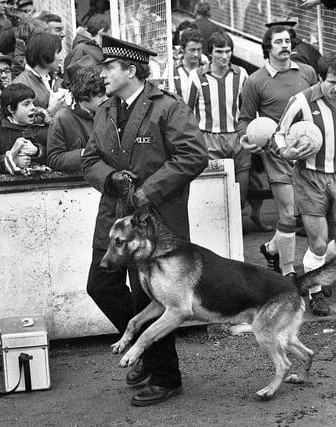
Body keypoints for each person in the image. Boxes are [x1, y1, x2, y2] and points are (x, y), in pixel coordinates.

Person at [81, 35, 209, 407]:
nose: (102, 74)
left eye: (108, 68)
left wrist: (148, 191)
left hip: (156, 223)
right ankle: (148, 353)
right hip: (114, 219)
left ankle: (167, 377)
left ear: (130, 71)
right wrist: (110, 178)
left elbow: (193, 155)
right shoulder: (105, 110)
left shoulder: (167, 108)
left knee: (150, 296)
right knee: (101, 285)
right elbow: (90, 161)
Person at [268, 52, 336, 316]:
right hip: (310, 178)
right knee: (319, 243)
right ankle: (315, 292)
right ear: (321, 78)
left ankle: (318, 272)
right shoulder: (300, 102)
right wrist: (285, 151)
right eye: (333, 81)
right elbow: (278, 135)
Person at [237, 24, 318, 277]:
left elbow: (320, 106)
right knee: (288, 211)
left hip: (307, 151)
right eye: (278, 42)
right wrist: (245, 138)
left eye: (287, 41)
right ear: (267, 48)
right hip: (277, 154)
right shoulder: (255, 81)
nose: (285, 45)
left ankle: (272, 248)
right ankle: (288, 272)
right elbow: (245, 119)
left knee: (313, 211)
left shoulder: (307, 72)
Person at [195, 31, 251, 213]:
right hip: (209, 139)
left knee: (240, 196)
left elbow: (249, 106)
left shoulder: (241, 74)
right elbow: (186, 113)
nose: (224, 56)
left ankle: (238, 234)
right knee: (214, 194)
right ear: (209, 53)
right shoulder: (196, 77)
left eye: (228, 51)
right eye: (219, 51)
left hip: (238, 139)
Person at [47, 62, 105, 172]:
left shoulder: (107, 112)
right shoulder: (62, 119)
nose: (105, 98)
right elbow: (54, 159)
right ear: (84, 96)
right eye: (100, 95)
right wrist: (85, 153)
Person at [0, 82, 48, 174]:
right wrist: (13, 160)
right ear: (11, 109)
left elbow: (55, 155)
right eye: (26, 104)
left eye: (33, 103)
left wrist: (38, 151)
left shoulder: (43, 126)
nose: (33, 108)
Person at [12, 33, 66, 117]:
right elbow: (22, 122)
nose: (61, 58)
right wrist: (50, 110)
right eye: (57, 53)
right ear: (45, 56)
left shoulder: (55, 79)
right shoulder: (21, 84)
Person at [172, 29, 204, 106]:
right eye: (192, 50)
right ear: (182, 49)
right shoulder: (172, 71)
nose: (196, 54)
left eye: (199, 50)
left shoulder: (207, 69)